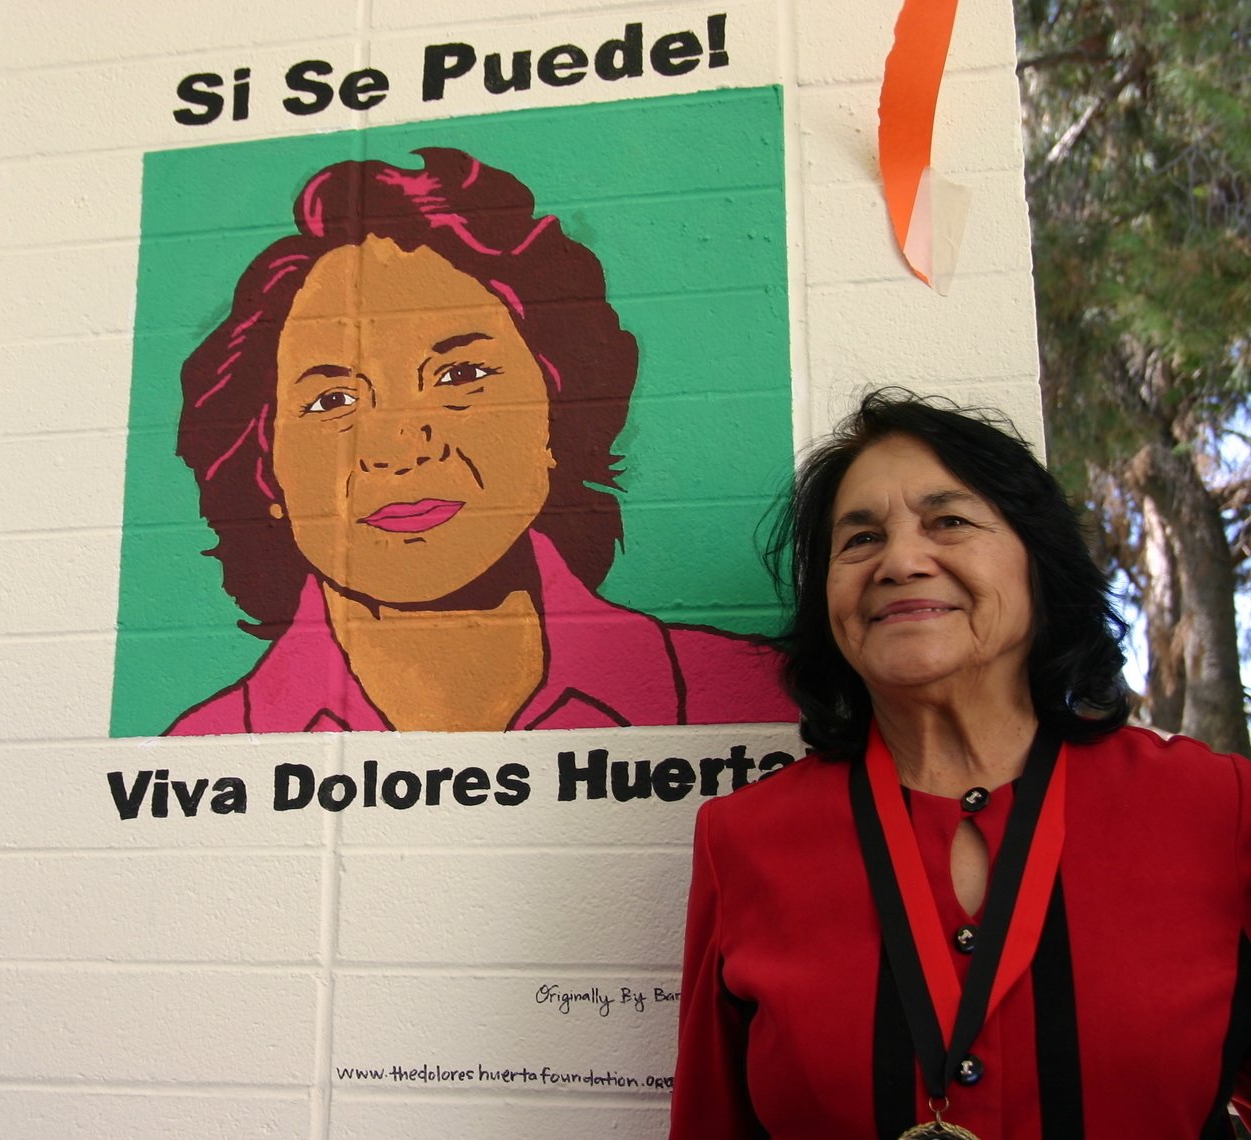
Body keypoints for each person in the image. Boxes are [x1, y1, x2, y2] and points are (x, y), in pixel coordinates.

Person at [670, 389, 1251, 1138]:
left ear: (1039, 565)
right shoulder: (742, 841)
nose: (900, 562)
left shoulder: (1218, 808)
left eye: (949, 522)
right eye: (860, 540)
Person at [165, 147, 794, 734]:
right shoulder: (203, 758)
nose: (398, 448)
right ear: (265, 470)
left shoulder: (758, 703)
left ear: (556, 413)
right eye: (334, 401)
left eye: (460, 375)